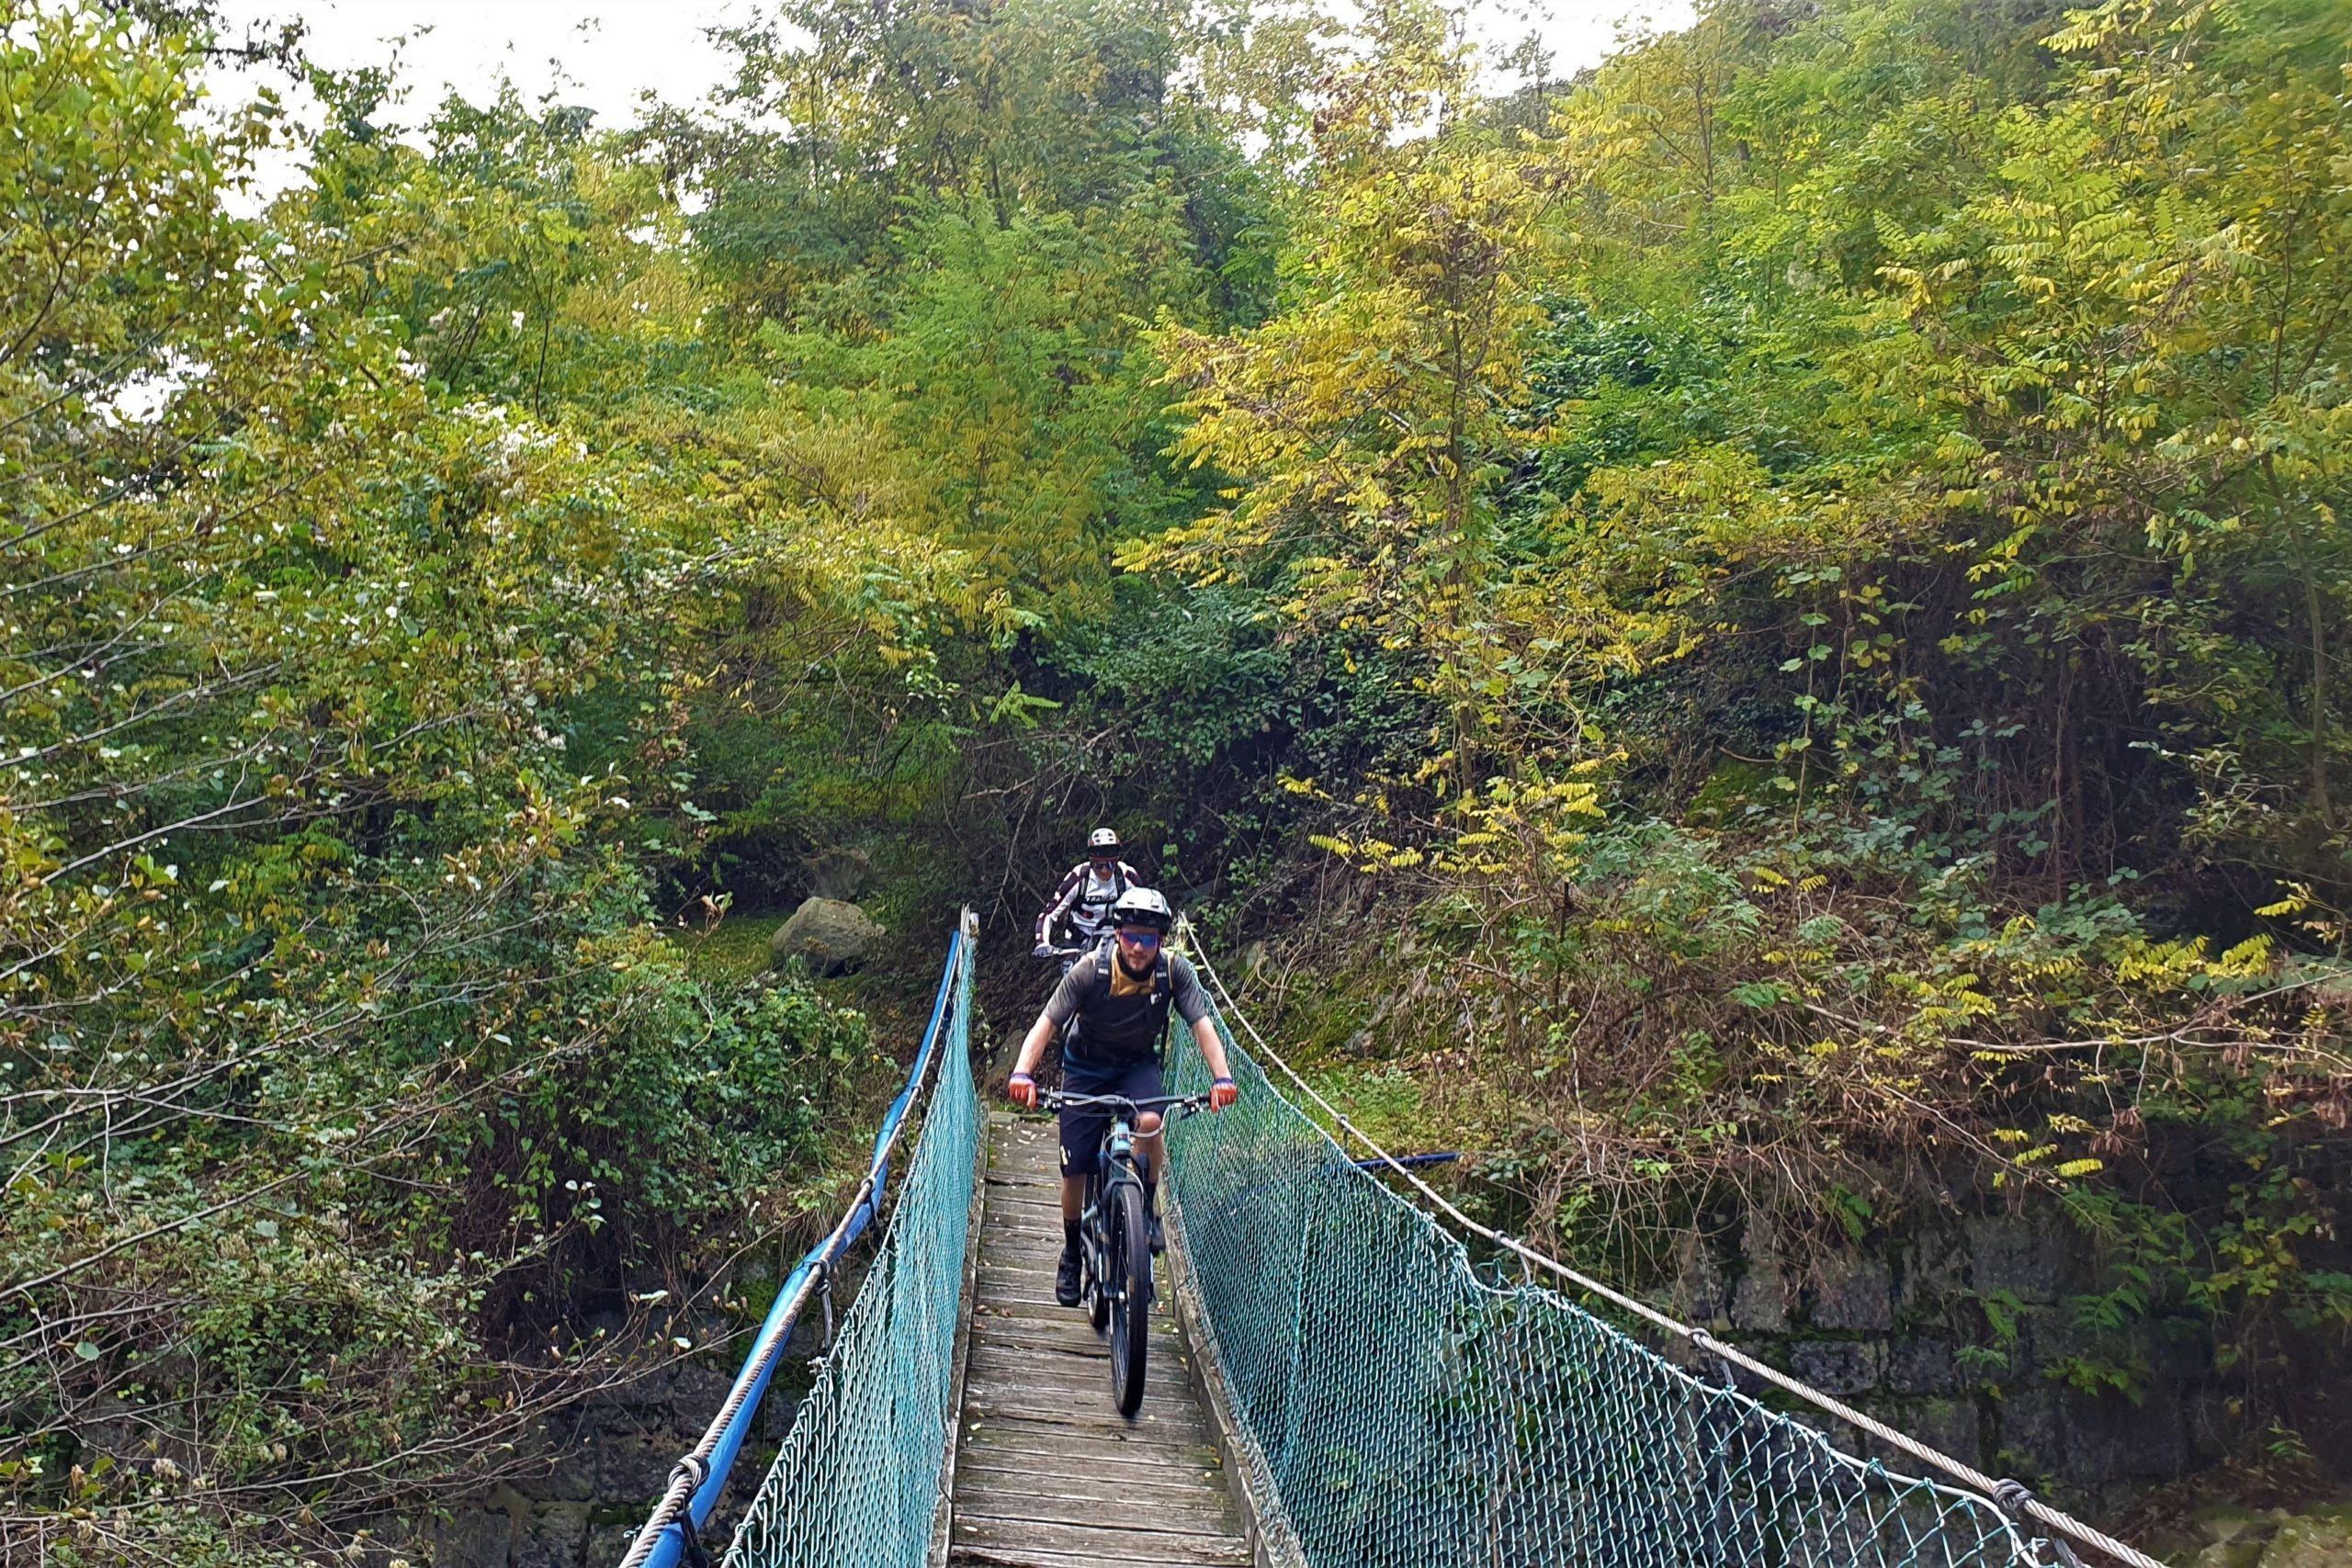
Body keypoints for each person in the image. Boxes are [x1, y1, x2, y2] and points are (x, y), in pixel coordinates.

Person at [1006, 887, 1238, 1306]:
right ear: (1117, 934)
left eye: (1148, 938)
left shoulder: (1174, 972)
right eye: (1131, 936)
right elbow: (1047, 1023)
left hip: (1137, 1067)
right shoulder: (1089, 971)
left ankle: (1144, 1212)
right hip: (1085, 1068)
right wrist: (1022, 1073)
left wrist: (1222, 1078)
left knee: (1150, 1122)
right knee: (1075, 1168)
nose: (1138, 947)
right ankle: (1072, 1252)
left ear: (1161, 940)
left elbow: (1202, 1025)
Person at [1032, 828, 1141, 972]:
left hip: (1115, 939)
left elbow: (1146, 907)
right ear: (1091, 861)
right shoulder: (1079, 878)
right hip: (1079, 942)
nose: (1105, 870)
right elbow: (1049, 914)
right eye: (1099, 865)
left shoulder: (1126, 875)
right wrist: (1042, 942)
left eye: (1110, 864)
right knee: (1071, 976)